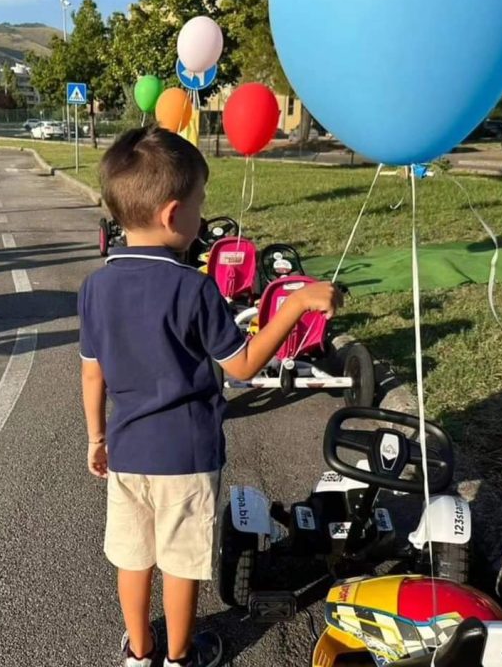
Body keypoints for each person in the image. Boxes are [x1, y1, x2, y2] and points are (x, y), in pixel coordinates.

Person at [78, 127, 342, 667]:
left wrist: (96, 437)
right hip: (187, 455)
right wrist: (295, 306)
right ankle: (179, 656)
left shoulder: (95, 287)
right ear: (173, 214)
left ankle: (139, 652)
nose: (202, 217)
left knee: (132, 556)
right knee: (180, 563)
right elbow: (242, 364)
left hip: (127, 450)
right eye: (200, 204)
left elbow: (91, 373)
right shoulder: (195, 288)